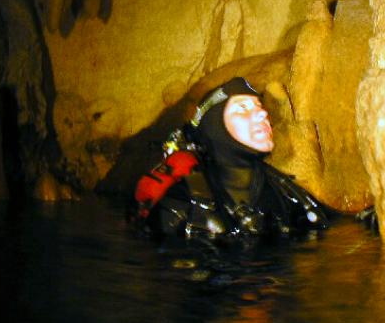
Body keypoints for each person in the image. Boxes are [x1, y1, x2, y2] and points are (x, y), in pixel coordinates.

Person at [134, 77, 330, 242]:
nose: (263, 113)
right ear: (215, 128)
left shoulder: (285, 193)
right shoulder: (182, 204)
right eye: (242, 107)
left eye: (259, 106)